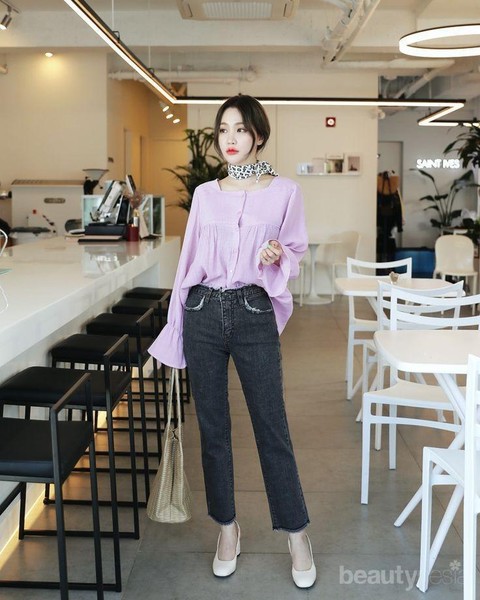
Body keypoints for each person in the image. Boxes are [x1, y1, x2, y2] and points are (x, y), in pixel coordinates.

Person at [148, 94, 316, 589]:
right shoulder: (205, 194)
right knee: (213, 430)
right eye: (223, 130)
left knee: (271, 426)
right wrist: (176, 328)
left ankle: (297, 533)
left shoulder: (285, 192)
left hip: (252, 310)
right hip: (202, 310)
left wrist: (277, 252)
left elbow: (295, 250)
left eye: (240, 129)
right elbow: (187, 263)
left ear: (258, 134)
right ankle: (227, 529)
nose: (230, 139)